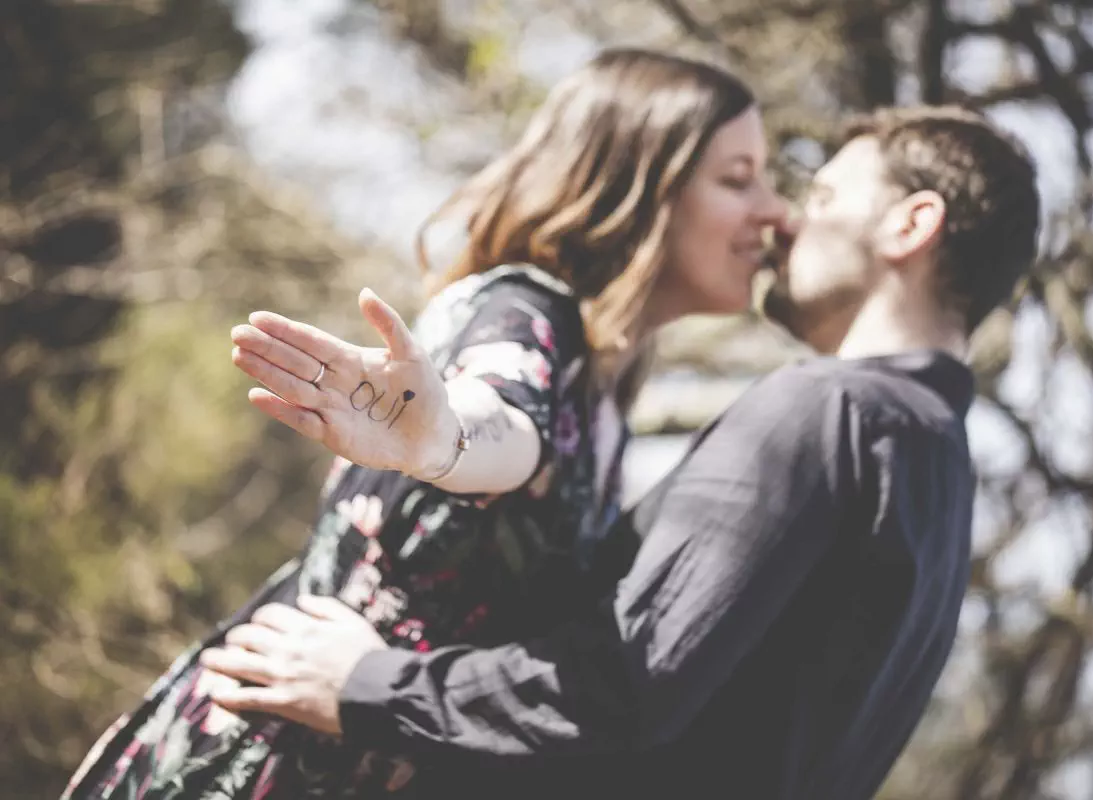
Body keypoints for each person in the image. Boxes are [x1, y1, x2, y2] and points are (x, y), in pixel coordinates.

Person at [196, 105, 1041, 800]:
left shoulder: (830, 409)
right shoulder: (939, 481)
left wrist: (367, 686)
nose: (784, 219)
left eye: (820, 196)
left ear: (912, 223)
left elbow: (627, 683)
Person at [62, 48, 787, 799]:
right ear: (639, 185)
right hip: (273, 759)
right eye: (738, 179)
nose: (774, 210)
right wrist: (446, 440)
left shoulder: (605, 401)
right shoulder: (524, 311)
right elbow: (502, 414)